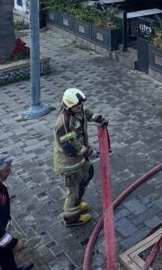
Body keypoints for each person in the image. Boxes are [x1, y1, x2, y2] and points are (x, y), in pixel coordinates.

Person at [53, 87, 106, 227]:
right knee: (73, 191)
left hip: (79, 160)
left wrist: (99, 119)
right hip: (69, 164)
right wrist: (88, 152)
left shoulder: (78, 109)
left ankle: (77, 202)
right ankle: (71, 217)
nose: (80, 107)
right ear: (69, 106)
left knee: (87, 175)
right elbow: (70, 144)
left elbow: (87, 113)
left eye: (80, 105)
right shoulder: (63, 123)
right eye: (77, 106)